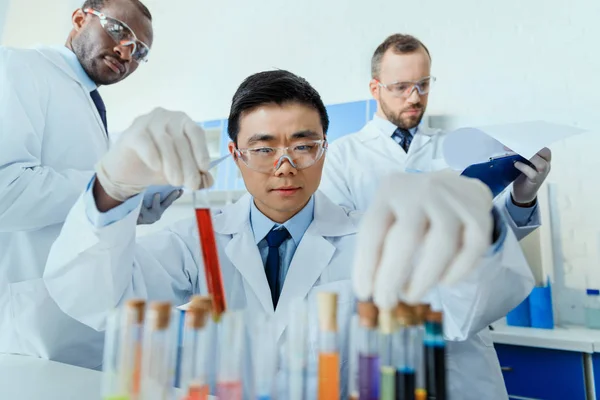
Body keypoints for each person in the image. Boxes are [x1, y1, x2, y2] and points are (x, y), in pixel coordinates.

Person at [43, 70, 533, 399]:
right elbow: (93, 297)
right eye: (263, 148)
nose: (284, 167)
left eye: (304, 146)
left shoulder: (373, 236)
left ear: (325, 150)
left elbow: (464, 308)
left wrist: (479, 229)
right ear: (235, 156)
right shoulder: (196, 240)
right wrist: (110, 191)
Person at [0, 0, 180, 368]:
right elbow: (7, 189)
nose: (126, 52)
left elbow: (80, 202)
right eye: (119, 30)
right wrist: (109, 190)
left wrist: (126, 209)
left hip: (76, 318)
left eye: (139, 51)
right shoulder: (18, 67)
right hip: (29, 325)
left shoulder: (85, 100)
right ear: (81, 18)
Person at [321, 33, 552, 241]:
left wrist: (522, 199)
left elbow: (492, 237)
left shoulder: (457, 146)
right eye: (401, 87)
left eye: (423, 84)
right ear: (375, 88)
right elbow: (336, 237)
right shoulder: (340, 156)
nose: (414, 98)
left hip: (450, 286)